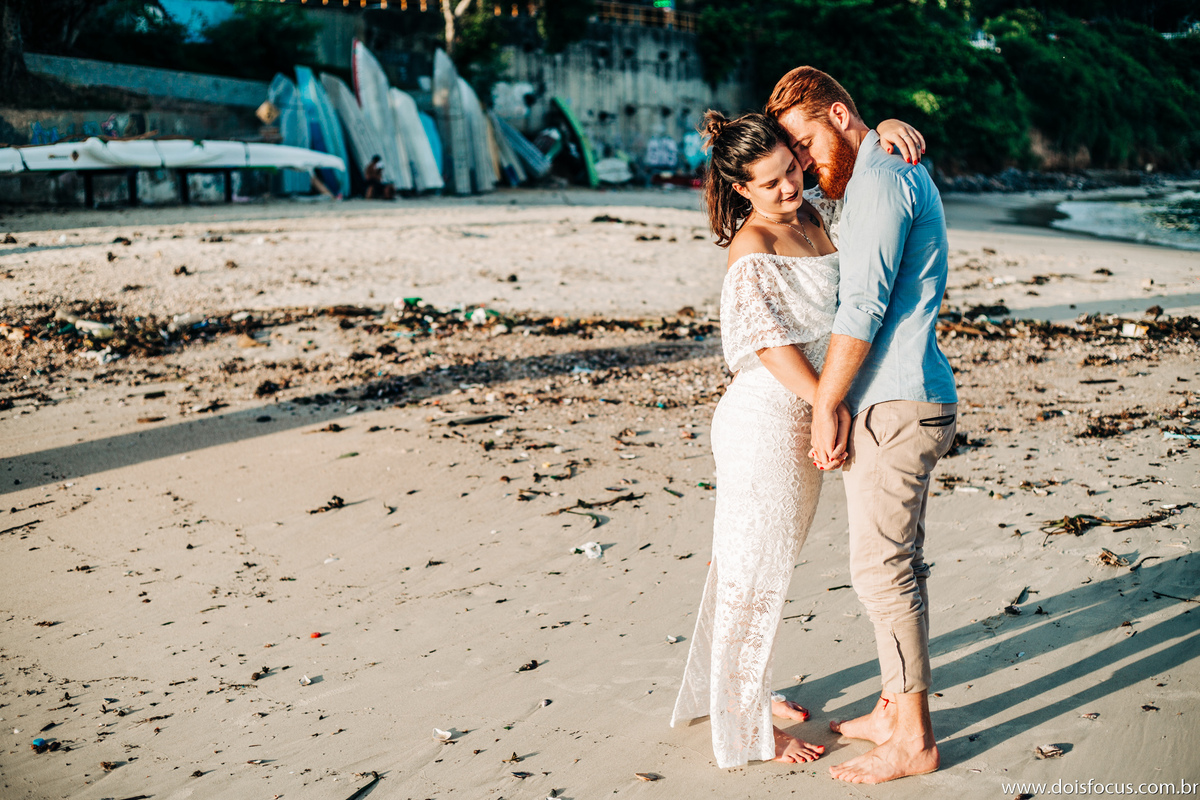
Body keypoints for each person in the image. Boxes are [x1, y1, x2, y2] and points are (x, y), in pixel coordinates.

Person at [670, 109, 926, 770]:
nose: (789, 188)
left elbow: (851, 162)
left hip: (807, 412)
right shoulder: (751, 247)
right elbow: (768, 346)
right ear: (742, 192)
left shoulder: (813, 213)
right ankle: (744, 724)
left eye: (791, 169)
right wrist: (827, 406)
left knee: (755, 562)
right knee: (754, 573)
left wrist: (883, 126)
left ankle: (731, 691)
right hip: (764, 420)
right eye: (772, 183)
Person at [766, 66, 958, 785]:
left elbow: (863, 311)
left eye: (807, 143)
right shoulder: (877, 164)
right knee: (892, 564)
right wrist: (878, 131)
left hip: (898, 402)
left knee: (881, 571)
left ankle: (912, 739)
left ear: (841, 116)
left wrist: (825, 405)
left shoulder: (879, 180)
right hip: (901, 397)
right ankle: (889, 706)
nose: (805, 167)